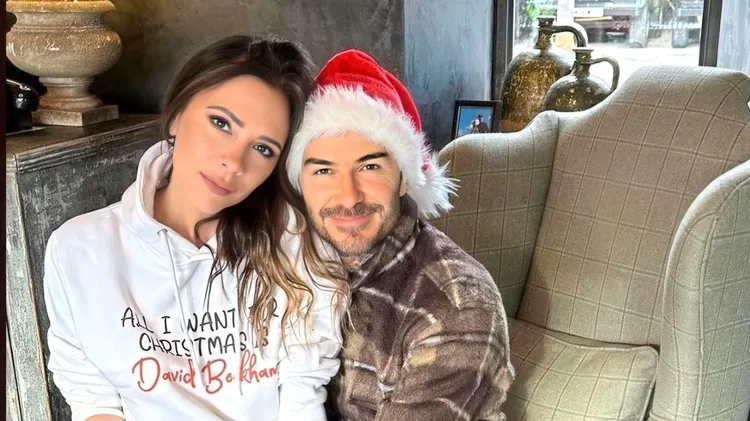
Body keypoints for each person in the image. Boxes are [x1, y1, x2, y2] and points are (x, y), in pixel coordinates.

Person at [42, 35, 347, 421]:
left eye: (263, 148)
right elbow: (93, 398)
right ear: (175, 116)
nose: (234, 162)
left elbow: (302, 396)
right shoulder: (80, 250)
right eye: (221, 123)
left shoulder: (295, 243)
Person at [285, 49, 514, 420]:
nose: (348, 197)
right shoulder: (282, 263)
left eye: (370, 167)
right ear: (299, 183)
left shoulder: (458, 306)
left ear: (405, 177)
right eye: (324, 171)